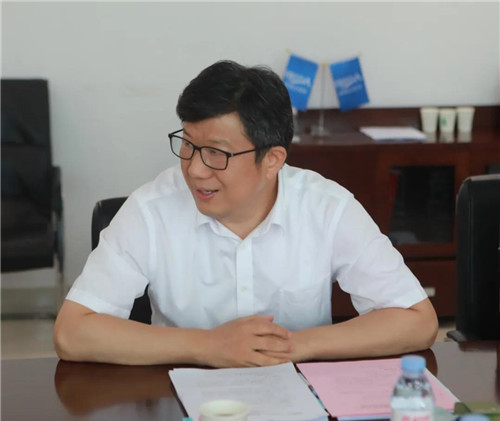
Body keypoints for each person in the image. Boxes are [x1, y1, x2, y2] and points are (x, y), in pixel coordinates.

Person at [54, 60, 438, 367]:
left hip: (297, 399)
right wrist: (207, 346)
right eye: (187, 144)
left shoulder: (326, 208)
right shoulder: (150, 210)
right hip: (178, 406)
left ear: (272, 160)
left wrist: (293, 345)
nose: (194, 169)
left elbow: (417, 320)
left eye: (216, 153)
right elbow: (72, 333)